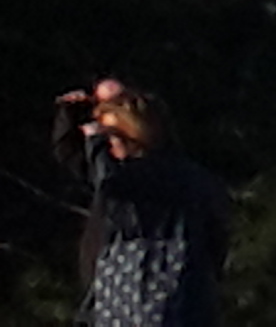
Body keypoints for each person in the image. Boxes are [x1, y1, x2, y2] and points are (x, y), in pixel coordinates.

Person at [53, 82, 229, 327]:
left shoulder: (129, 183)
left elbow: (106, 179)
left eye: (110, 139)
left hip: (140, 311)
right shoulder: (194, 177)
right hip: (188, 307)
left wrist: (92, 138)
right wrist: (71, 119)